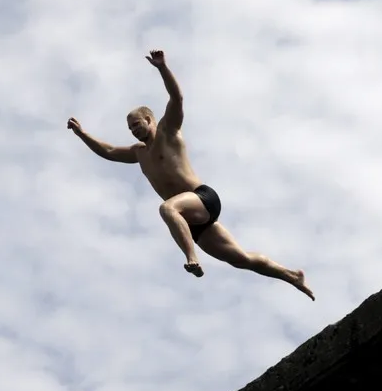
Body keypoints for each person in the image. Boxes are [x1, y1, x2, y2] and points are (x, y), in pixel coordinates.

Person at [67, 49, 314, 300]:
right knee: (241, 259)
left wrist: (162, 67)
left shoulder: (168, 132)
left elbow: (177, 98)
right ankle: (292, 276)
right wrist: (82, 134)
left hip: (201, 198)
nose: (133, 131)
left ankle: (191, 258)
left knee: (167, 209)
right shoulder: (139, 153)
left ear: (149, 119)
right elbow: (108, 150)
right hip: (192, 223)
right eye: (129, 128)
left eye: (137, 124)